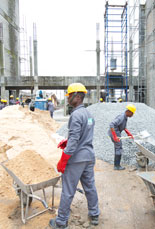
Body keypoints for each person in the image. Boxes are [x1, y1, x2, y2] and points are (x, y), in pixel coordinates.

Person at [49, 83, 100, 229]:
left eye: (70, 96)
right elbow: (84, 135)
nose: (68, 99)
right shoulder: (89, 115)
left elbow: (75, 140)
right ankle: (94, 214)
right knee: (90, 187)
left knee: (68, 190)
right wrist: (68, 141)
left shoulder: (76, 115)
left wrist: (63, 160)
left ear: (77, 97)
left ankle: (61, 222)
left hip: (77, 159)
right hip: (89, 156)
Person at [108, 104, 136, 170]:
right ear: (129, 111)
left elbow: (123, 126)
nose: (132, 115)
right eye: (132, 113)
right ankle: (117, 166)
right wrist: (115, 136)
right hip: (114, 133)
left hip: (116, 132)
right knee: (119, 147)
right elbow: (111, 124)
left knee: (117, 147)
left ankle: (116, 165)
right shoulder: (121, 117)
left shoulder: (125, 117)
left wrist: (128, 133)